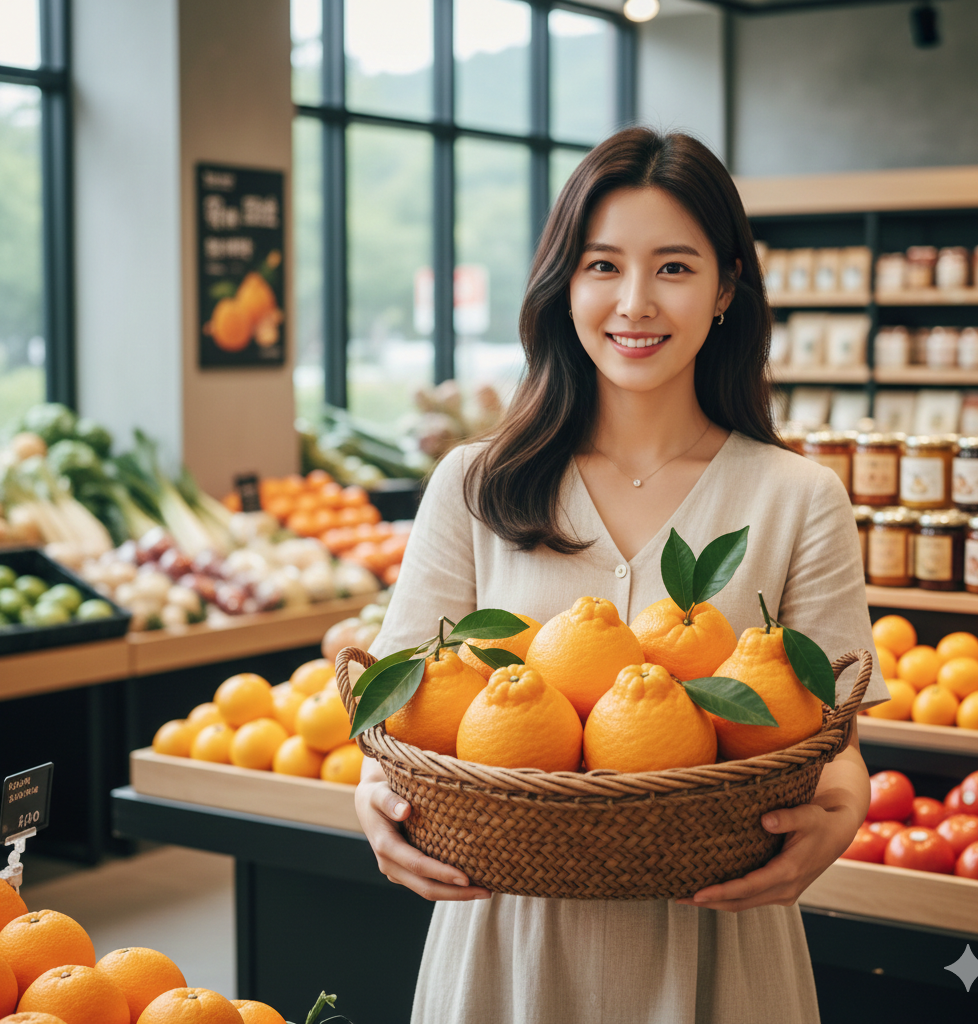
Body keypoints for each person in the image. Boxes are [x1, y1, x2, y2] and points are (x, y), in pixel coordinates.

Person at [355, 127, 891, 1024]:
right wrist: (372, 798)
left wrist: (840, 815)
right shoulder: (476, 485)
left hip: (717, 941)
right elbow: (401, 722)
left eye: (674, 268)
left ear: (726, 289)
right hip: (509, 944)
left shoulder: (800, 497)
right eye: (602, 265)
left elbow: (833, 747)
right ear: (564, 283)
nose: (634, 302)